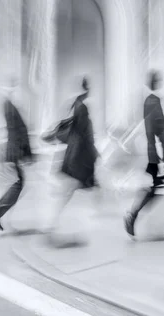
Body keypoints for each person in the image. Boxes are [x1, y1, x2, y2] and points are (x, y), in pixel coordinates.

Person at [45, 77, 99, 245]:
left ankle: (60, 229)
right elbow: (85, 137)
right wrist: (95, 154)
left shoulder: (75, 105)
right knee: (71, 195)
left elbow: (77, 133)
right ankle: (60, 230)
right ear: (86, 89)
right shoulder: (82, 108)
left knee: (69, 195)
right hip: (79, 160)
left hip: (74, 158)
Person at [124, 70, 164, 237]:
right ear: (155, 82)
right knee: (157, 186)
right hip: (154, 154)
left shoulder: (149, 101)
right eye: (157, 79)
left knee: (158, 186)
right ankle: (133, 215)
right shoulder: (154, 101)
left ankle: (138, 217)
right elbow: (160, 132)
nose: (159, 81)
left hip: (151, 152)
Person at [0, 78, 33, 230]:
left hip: (16, 149)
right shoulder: (9, 105)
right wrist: (25, 153)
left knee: (20, 183)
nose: (12, 89)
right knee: (19, 184)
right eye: (10, 86)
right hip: (16, 150)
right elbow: (18, 130)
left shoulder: (9, 105)